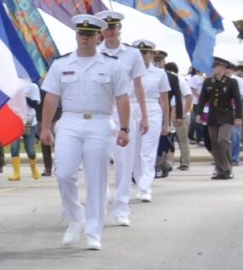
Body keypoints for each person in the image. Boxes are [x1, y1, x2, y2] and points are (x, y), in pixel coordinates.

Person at [39, 14, 134, 250]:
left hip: (99, 122)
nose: (85, 38)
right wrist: (45, 127)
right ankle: (76, 217)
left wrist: (124, 128)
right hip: (70, 121)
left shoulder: (112, 65)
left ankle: (94, 232)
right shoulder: (61, 64)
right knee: (64, 174)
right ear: (76, 35)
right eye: (81, 34)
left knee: (96, 179)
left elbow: (123, 98)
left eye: (90, 34)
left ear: (98, 36)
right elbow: (51, 97)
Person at [97, 13, 150, 226]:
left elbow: (139, 86)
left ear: (120, 28)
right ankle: (97, 207)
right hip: (100, 109)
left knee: (124, 163)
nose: (110, 31)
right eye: (106, 28)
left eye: (113, 27)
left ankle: (121, 208)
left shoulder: (132, 54)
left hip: (125, 111)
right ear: (101, 30)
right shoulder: (94, 51)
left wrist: (144, 116)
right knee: (98, 161)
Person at [128, 39, 170, 202]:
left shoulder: (159, 74)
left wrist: (166, 123)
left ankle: (146, 187)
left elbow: (165, 100)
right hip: (133, 109)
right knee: (135, 152)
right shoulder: (127, 71)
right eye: (139, 52)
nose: (142, 55)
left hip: (152, 110)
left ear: (151, 54)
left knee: (148, 151)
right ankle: (140, 182)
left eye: (145, 52)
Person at [198, 57, 243, 179]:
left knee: (223, 140)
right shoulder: (208, 82)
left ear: (223, 68)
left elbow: (237, 100)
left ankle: (227, 168)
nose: (214, 69)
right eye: (213, 67)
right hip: (212, 116)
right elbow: (202, 99)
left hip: (226, 115)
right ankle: (220, 170)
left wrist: (238, 117)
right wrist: (199, 113)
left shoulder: (231, 82)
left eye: (216, 67)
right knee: (214, 143)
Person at [9, 78, 42, 180]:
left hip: (28, 122)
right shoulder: (13, 84)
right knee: (14, 147)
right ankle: (16, 173)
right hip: (15, 121)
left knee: (30, 149)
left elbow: (35, 104)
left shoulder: (33, 86)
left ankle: (34, 168)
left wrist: (24, 97)